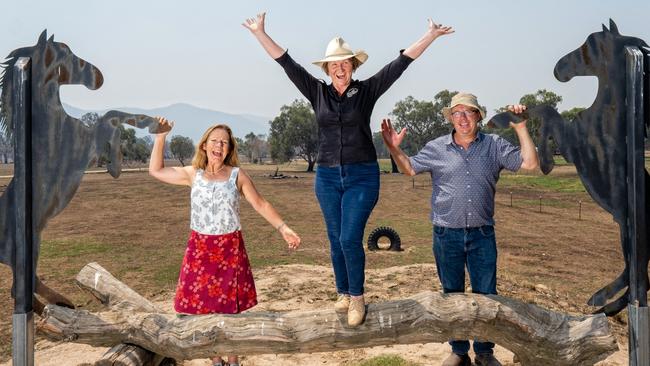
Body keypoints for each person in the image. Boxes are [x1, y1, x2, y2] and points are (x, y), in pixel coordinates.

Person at [243, 12, 454, 327]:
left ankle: (357, 297)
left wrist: (430, 36)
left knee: (349, 237)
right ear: (327, 69)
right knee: (334, 236)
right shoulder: (317, 92)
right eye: (333, 64)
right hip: (327, 177)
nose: (339, 67)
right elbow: (286, 63)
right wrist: (260, 32)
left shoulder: (366, 91)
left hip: (362, 176)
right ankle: (342, 291)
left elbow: (400, 64)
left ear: (353, 66)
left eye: (345, 63)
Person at [381, 93, 539, 366]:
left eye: (469, 112)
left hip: (482, 234)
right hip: (446, 234)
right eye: (457, 113)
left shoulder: (494, 146)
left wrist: (521, 127)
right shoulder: (436, 147)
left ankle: (485, 353)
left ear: (478, 116)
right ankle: (458, 351)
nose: (463, 118)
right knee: (451, 294)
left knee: (486, 295)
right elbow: (408, 168)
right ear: (450, 118)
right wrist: (394, 149)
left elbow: (529, 163)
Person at [149, 118, 301, 366]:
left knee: (229, 310)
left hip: (228, 250)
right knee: (200, 309)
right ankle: (216, 360)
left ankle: (233, 361)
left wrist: (284, 228)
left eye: (224, 143)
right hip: (199, 250)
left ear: (229, 149)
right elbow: (156, 170)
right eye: (214, 141)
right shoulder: (192, 174)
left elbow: (260, 204)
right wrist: (160, 137)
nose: (219, 146)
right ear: (205, 146)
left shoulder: (236, 176)